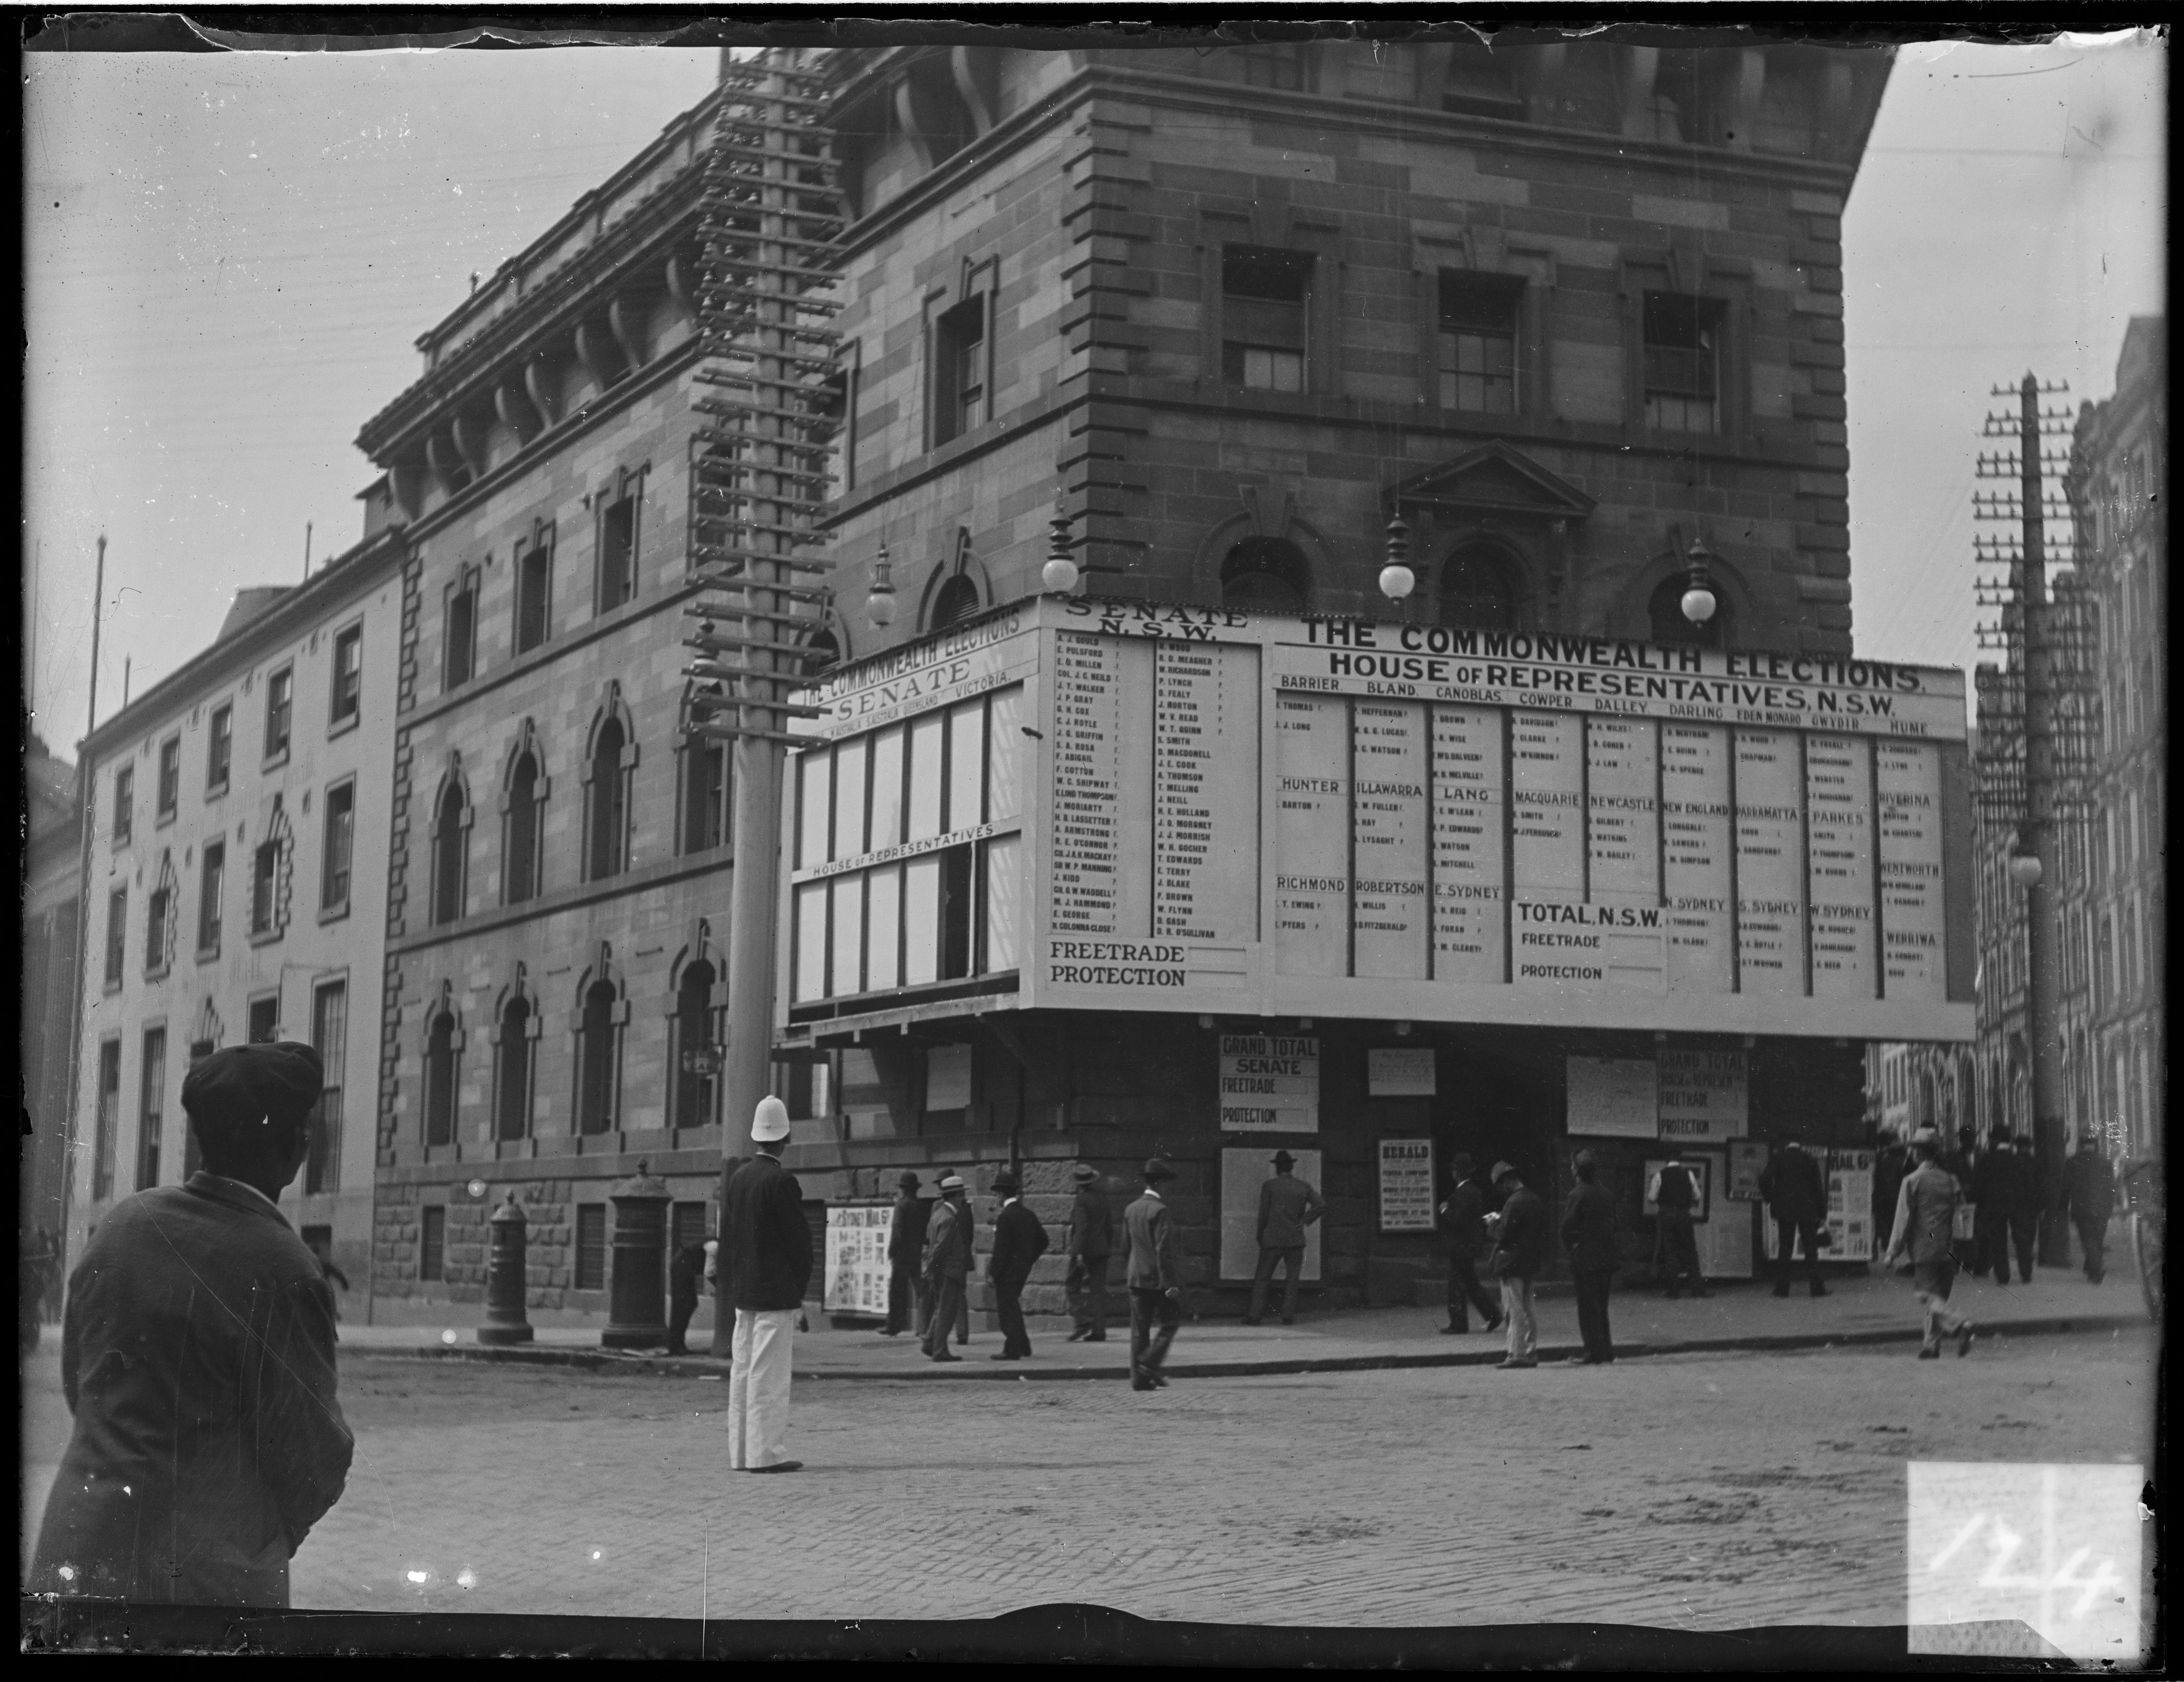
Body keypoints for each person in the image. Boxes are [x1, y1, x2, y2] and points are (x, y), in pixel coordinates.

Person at [29, 1042, 353, 1605]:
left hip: (76, 1557)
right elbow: (314, 1457)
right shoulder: (285, 1268)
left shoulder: (124, 1224)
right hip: (205, 1589)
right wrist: (254, 1540)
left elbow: (82, 1384)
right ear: (298, 1143)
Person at [718, 1095, 812, 1473]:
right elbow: (799, 1243)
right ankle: (766, 1454)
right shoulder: (782, 1181)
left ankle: (740, 1453)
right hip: (776, 1293)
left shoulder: (739, 1178)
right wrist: (799, 1288)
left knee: (741, 1373)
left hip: (745, 1292)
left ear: (757, 1136)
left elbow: (732, 1237)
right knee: (768, 1377)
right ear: (785, 1137)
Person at [1883, 1126, 1975, 1358]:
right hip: (1950, 1246)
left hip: (1925, 1246)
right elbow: (1963, 1214)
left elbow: (1903, 1220)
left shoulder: (1913, 1180)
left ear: (1917, 1154)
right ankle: (1931, 1346)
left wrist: (1892, 1252)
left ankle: (1960, 1322)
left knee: (1925, 1294)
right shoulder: (1951, 1180)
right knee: (1938, 1299)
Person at [1244, 1149, 1325, 1326]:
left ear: (1277, 1168)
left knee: (1263, 1278)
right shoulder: (1303, 1186)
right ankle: (1288, 1315)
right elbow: (1320, 1205)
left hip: (1272, 1239)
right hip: (1295, 1239)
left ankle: (1255, 1315)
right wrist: (1304, 1220)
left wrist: (1260, 1234)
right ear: (1292, 1167)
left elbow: (1263, 1215)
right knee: (1292, 1278)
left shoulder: (1270, 1186)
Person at [1124, 1157, 1185, 1391]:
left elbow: (1125, 1246)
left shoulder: (1131, 1209)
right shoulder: (1160, 1210)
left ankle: (1138, 1379)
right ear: (1159, 1183)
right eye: (1166, 1182)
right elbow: (1164, 1251)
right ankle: (1148, 1364)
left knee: (1139, 1329)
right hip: (1157, 1280)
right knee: (1171, 1321)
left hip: (1135, 1277)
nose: (1168, 1187)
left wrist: (1132, 1269)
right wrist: (1171, 1284)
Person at [1435, 1154, 1503, 1335]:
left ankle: (1459, 1323)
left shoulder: (1464, 1192)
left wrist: (1445, 1210)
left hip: (1461, 1247)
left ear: (1457, 1173)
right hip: (1467, 1246)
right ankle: (1493, 1315)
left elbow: (1458, 1220)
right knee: (1471, 1284)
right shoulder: (1472, 1190)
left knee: (1457, 1286)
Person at [1487, 1160, 1546, 1370]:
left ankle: (1517, 1353)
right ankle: (1531, 1352)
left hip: (1512, 1263)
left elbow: (1504, 1234)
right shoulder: (1534, 1199)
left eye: (1501, 1186)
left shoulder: (1514, 1202)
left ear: (1507, 1181)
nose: (1501, 1191)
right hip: (1530, 1261)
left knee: (1514, 1309)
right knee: (1529, 1308)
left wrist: (1493, 1224)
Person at [1561, 1150, 1617, 1365]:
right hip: (1606, 1258)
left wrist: (1574, 1247)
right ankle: (1606, 1350)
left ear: (1576, 1171)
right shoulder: (1606, 1193)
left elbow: (1568, 1227)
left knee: (1587, 1308)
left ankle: (1593, 1352)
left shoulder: (1578, 1194)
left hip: (1586, 1259)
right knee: (1601, 1307)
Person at [987, 1172, 1050, 1360]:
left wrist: (993, 1274)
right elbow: (1044, 1241)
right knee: (1013, 1307)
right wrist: (1028, 1259)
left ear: (1001, 1194)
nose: (996, 1198)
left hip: (1006, 1273)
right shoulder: (1028, 1214)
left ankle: (1012, 1349)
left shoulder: (1005, 1217)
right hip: (1022, 1270)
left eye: (997, 1194)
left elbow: (1001, 1250)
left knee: (1007, 1313)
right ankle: (1024, 1345)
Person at [1758, 1137, 1828, 1298]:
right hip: (1807, 1209)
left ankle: (1782, 1289)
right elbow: (1818, 1188)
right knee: (1811, 1249)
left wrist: (1770, 1197)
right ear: (1800, 1145)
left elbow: (1764, 1180)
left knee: (1785, 1249)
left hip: (1785, 1210)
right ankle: (1817, 1288)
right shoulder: (1809, 1159)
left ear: (1787, 1144)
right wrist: (1822, 1213)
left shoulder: (1779, 1158)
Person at [920, 1175, 974, 1363]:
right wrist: (931, 1268)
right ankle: (940, 1350)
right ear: (953, 1196)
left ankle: (929, 1342)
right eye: (961, 1195)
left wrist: (929, 1268)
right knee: (946, 1312)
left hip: (941, 1271)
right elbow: (941, 1248)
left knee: (940, 1309)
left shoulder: (937, 1215)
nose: (964, 1199)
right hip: (949, 1272)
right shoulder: (950, 1219)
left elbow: (930, 1244)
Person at [1063, 1163, 1114, 1343]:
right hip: (1102, 1250)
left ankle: (1083, 1321)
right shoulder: (1102, 1198)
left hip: (1084, 1250)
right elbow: (1109, 1227)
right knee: (1097, 1291)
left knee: (1071, 1285)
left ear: (1078, 1183)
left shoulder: (1081, 1200)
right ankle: (1099, 1331)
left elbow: (1082, 1229)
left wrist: (1078, 1253)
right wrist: (1106, 1245)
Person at [2061, 1132, 2116, 1283]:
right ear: (2096, 1145)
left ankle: (2095, 1269)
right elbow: (2111, 1187)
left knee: (2088, 1240)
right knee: (2097, 1239)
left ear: (2081, 1145)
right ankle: (2093, 1267)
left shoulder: (2072, 1162)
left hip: (2082, 1208)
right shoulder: (2105, 1162)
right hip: (2102, 1209)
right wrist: (2110, 1207)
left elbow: (2066, 1187)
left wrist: (2063, 1207)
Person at [1652, 1152, 1708, 1299]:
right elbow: (1697, 1196)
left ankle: (1673, 1291)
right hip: (1684, 1214)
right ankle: (1697, 1289)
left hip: (1667, 1214)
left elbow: (1652, 1197)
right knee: (1690, 1251)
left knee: (1670, 1251)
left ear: (1666, 1159)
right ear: (1679, 1158)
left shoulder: (1660, 1175)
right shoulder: (1688, 1174)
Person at [880, 1171, 929, 1337]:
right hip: (916, 1254)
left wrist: (892, 1251)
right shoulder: (919, 1206)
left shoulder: (901, 1206)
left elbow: (898, 1231)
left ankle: (894, 1326)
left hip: (902, 1255)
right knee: (921, 1291)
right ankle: (923, 1327)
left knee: (896, 1291)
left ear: (904, 1190)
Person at [1969, 1130, 2022, 1285]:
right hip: (2014, 1205)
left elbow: (1978, 1185)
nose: (1989, 1141)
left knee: (1998, 1240)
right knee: (2018, 1238)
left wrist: (1976, 1201)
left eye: (1991, 1139)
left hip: (1993, 1207)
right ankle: (2025, 1269)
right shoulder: (2016, 1159)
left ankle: (2003, 1273)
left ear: (1996, 1140)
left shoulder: (1987, 1159)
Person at [665, 1230, 714, 1356]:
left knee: (689, 1304)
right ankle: (675, 1345)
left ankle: (676, 1343)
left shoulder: (716, 1244)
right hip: (681, 1267)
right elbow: (709, 1272)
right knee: (683, 1305)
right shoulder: (715, 1246)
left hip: (684, 1267)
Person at [2003, 1133, 2042, 1285]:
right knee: (2030, 1237)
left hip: (2016, 1208)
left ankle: (2025, 1269)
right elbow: (2041, 1186)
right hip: (2031, 1207)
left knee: (2020, 1239)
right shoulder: (2035, 1162)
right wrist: (2040, 1206)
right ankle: (2026, 1269)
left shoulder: (2011, 1162)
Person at [1871, 1128, 1912, 1258]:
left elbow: (1876, 1177)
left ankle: (1879, 1244)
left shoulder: (1878, 1157)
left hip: (1881, 1195)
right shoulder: (1902, 1156)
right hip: (1895, 1195)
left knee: (1881, 1221)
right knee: (1891, 1222)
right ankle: (1888, 1245)